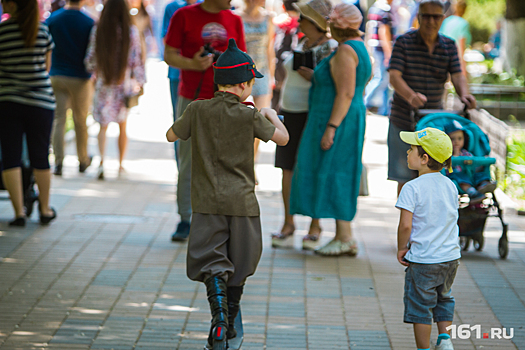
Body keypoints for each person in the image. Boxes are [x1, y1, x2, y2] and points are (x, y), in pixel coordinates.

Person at [166, 38, 289, 350]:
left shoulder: (197, 110)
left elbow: (171, 135)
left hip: (206, 203)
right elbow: (284, 140)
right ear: (245, 84)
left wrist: (191, 121)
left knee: (213, 265)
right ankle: (229, 325)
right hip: (242, 203)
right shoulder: (250, 116)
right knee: (240, 265)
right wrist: (271, 115)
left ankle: (218, 320)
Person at [289, 2, 371, 256]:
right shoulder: (358, 47)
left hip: (338, 119)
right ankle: (342, 234)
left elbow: (345, 93)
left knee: (336, 172)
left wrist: (331, 127)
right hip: (345, 117)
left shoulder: (346, 50)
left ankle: (345, 237)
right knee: (338, 171)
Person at [163, 0, 246, 241]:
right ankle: (185, 219)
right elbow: (169, 55)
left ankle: (219, 219)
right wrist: (193, 63)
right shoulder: (184, 15)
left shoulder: (234, 19)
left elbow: (243, 61)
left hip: (226, 100)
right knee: (188, 158)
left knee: (225, 162)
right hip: (192, 97)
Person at [388, 0, 476, 196]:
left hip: (433, 123)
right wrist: (410, 96)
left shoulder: (448, 45)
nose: (430, 21)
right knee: (404, 177)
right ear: (419, 18)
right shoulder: (404, 42)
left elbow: (457, 74)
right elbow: (394, 75)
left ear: (442, 19)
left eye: (436, 16)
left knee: (432, 175)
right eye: (426, 16)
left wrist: (465, 94)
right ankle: (406, 222)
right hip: (403, 119)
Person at [271, 0, 337, 250]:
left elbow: (333, 82)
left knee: (311, 167)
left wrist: (316, 77)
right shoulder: (302, 42)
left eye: (304, 19)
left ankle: (315, 224)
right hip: (289, 110)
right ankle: (288, 223)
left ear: (316, 23)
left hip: (312, 113)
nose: (299, 22)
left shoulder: (331, 47)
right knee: (286, 167)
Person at [396, 127, 460, 350]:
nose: (407, 152)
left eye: (411, 149)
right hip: (450, 257)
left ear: (424, 159)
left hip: (424, 259)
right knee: (444, 298)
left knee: (421, 307)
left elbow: (405, 225)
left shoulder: (411, 188)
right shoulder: (451, 186)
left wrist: (402, 248)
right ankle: (445, 340)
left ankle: (423, 348)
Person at [0, 0, 57, 226]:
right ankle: (44, 209)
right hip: (41, 102)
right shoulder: (42, 30)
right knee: (40, 156)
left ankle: (19, 213)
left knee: (11, 157)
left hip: (8, 101)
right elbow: (46, 67)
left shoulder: (2, 31)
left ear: (13, 4)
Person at [84, 0, 146, 180]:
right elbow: (136, 60)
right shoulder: (131, 31)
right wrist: (140, 81)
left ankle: (102, 162)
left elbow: (90, 60)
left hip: (104, 83)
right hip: (123, 84)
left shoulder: (99, 30)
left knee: (102, 126)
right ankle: (120, 164)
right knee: (122, 125)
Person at [46, 0, 95, 176]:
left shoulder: (53, 19)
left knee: (59, 118)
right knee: (80, 120)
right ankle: (83, 160)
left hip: (56, 74)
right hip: (80, 77)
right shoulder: (88, 21)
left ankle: (58, 161)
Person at [162, 0, 198, 172]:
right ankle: (182, 168)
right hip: (178, 75)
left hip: (203, 79)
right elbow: (167, 43)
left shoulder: (208, 6)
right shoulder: (174, 8)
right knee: (180, 122)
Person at [445, 120, 496, 203]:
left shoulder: (466, 153)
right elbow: (447, 168)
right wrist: (456, 156)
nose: (456, 141)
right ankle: (472, 193)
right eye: (452, 139)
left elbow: (474, 163)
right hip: (457, 178)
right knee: (459, 178)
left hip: (470, 174)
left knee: (480, 174)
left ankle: (484, 184)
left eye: (460, 139)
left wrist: (480, 163)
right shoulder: (446, 155)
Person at [364, 0, 395, 116]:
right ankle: (364, 102)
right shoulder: (384, 9)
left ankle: (384, 109)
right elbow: (384, 31)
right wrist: (389, 52)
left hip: (375, 47)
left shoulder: (375, 7)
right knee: (380, 78)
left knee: (384, 80)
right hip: (381, 49)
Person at [271, 0, 300, 111]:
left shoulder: (277, 23)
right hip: (292, 72)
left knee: (275, 104)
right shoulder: (301, 25)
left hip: (277, 69)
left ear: (283, 6)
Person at [439, 0, 471, 77]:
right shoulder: (463, 24)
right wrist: (464, 74)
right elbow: (461, 49)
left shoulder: (446, 21)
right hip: (454, 63)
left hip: (443, 60)